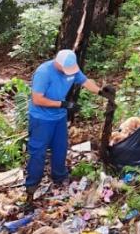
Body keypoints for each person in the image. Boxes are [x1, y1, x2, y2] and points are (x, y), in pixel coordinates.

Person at [25, 49, 113, 204]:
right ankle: (31, 187)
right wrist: (63, 104)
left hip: (59, 117)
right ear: (57, 63)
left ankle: (59, 177)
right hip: (41, 118)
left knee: (61, 148)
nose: (68, 73)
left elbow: (85, 82)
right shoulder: (44, 72)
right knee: (38, 152)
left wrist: (100, 92)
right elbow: (37, 99)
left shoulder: (72, 69)